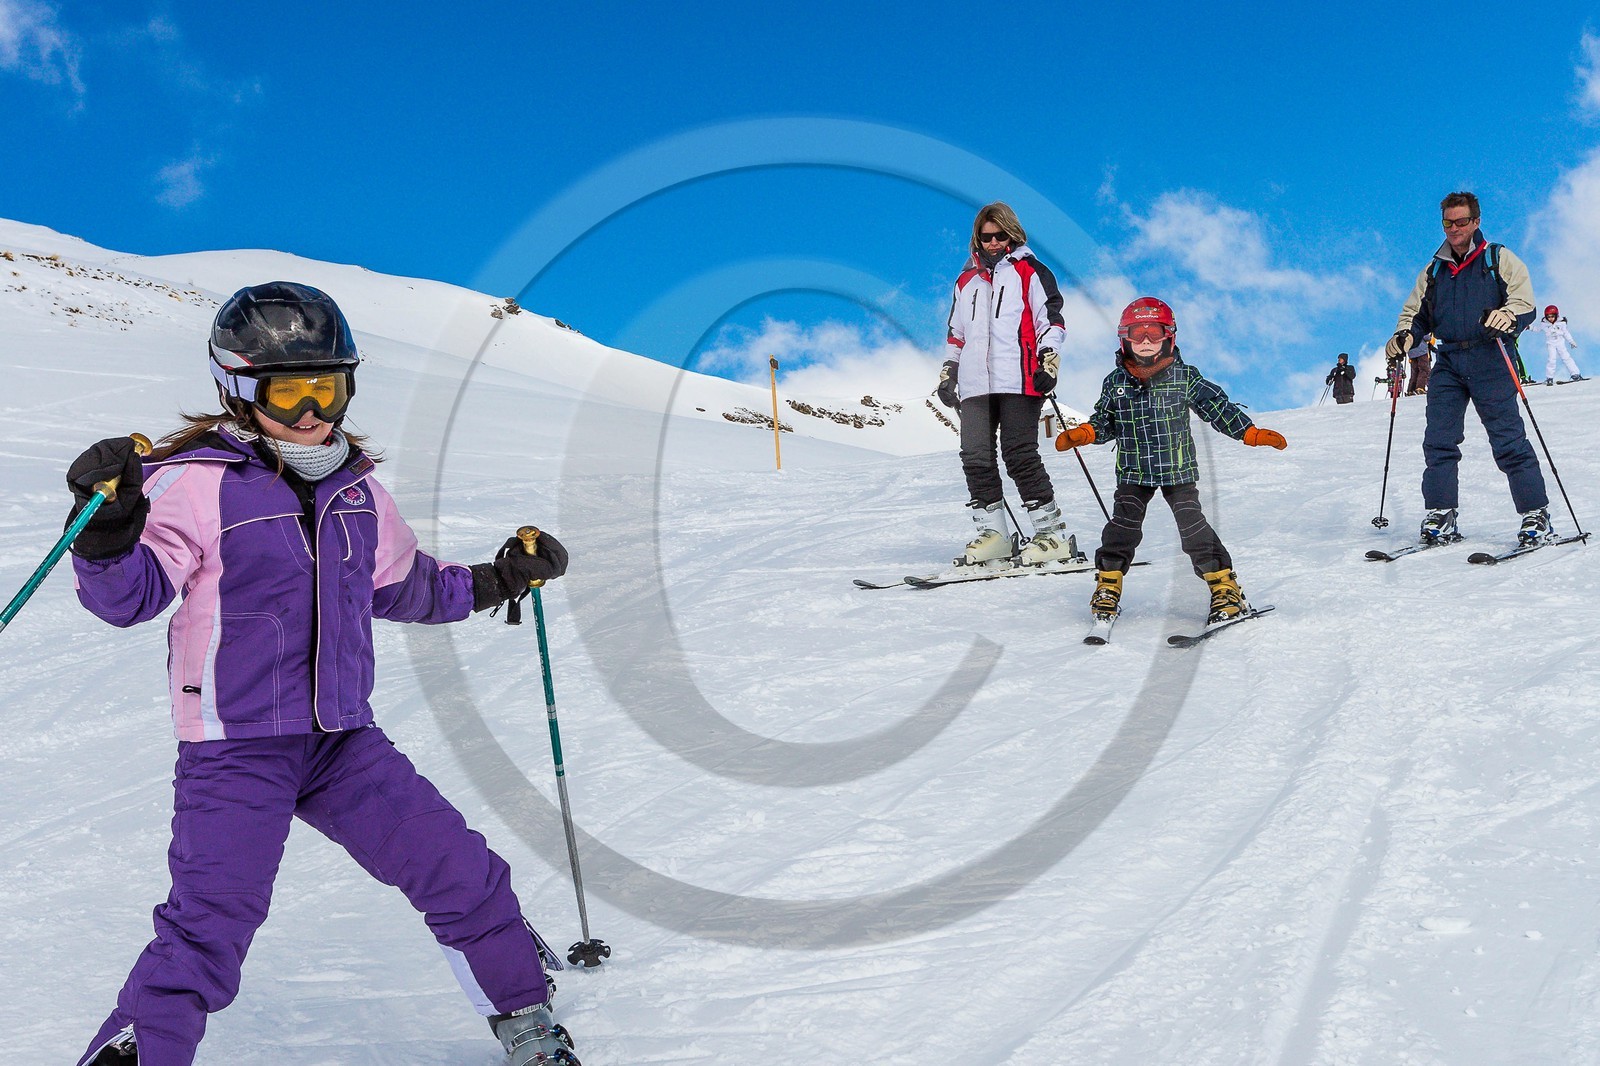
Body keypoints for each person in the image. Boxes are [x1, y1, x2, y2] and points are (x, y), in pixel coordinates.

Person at [69, 283, 581, 1066]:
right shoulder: (192, 480)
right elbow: (131, 597)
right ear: (237, 389)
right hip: (237, 746)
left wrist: (502, 578)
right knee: (207, 927)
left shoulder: (357, 490)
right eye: (288, 389)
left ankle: (527, 1022)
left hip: (343, 741)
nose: (312, 411)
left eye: (328, 387)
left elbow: (407, 587)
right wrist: (106, 531)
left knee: (462, 871)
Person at [1055, 297, 1287, 623]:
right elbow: (1106, 422)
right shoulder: (1116, 382)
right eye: (1138, 334)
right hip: (1133, 472)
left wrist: (1248, 432)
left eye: (1154, 332)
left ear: (1169, 336)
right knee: (1121, 529)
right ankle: (1108, 587)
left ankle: (1225, 590)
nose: (1146, 341)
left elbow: (1215, 406)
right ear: (1125, 338)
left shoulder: (1185, 377)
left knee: (1193, 530)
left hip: (1177, 471)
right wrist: (1086, 433)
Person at [1386, 191, 1551, 546]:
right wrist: (1403, 337)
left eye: (1462, 221)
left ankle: (1536, 514)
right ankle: (1441, 513)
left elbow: (1524, 303)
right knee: (1439, 441)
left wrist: (1506, 316)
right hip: (1448, 362)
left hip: (1490, 357)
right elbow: (1415, 315)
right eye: (1448, 222)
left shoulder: (1498, 258)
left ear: (1476, 221)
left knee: (1508, 440)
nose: (1455, 228)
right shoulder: (1434, 270)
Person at [938, 201, 1071, 566]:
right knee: (975, 456)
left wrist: (1049, 360)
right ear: (977, 239)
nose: (993, 243)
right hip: (975, 382)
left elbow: (1051, 320)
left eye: (1000, 236)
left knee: (1019, 454)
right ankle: (994, 534)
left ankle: (1051, 534)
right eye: (986, 237)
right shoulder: (966, 281)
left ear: (1012, 234)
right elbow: (956, 333)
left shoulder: (1031, 271)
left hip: (1020, 377)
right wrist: (949, 371)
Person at [1528, 304, 1583, 385]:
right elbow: (1538, 329)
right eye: (1548, 317)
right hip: (1551, 344)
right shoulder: (1544, 324)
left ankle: (1575, 374)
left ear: (1556, 316)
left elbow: (1565, 333)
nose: (1550, 319)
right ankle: (1549, 377)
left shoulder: (1561, 323)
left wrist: (1571, 341)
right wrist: (1530, 327)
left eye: (1552, 316)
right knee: (1551, 360)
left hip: (1560, 343)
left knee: (1566, 358)